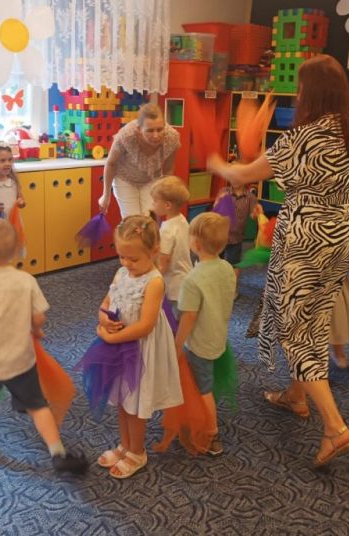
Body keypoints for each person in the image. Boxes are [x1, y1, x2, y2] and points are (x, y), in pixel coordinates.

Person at [207, 54, 349, 468]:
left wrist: (217, 163)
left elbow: (245, 175)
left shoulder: (302, 136)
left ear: (309, 91)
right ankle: (296, 395)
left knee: (296, 330)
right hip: (339, 234)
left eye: (299, 87)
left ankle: (335, 427)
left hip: (304, 240)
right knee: (313, 317)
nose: (296, 94)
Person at [0, 217, 87, 473]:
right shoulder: (25, 281)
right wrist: (37, 330)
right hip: (20, 359)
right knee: (37, 404)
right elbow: (38, 317)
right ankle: (57, 452)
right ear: (15, 251)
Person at [94, 215, 182, 479]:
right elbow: (105, 303)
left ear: (154, 251)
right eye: (121, 256)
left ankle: (137, 451)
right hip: (120, 349)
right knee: (122, 399)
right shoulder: (121, 272)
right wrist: (103, 320)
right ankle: (125, 445)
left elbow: (145, 326)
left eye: (133, 259)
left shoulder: (154, 281)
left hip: (141, 351)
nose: (126, 263)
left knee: (135, 403)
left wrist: (111, 338)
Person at [175, 212, 237, 456]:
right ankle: (204, 421)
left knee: (203, 389)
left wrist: (177, 344)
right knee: (207, 382)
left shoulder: (192, 280)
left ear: (196, 243)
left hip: (199, 344)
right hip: (218, 335)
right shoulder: (227, 268)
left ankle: (211, 433)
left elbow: (188, 317)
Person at [98, 103, 180, 218]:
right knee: (132, 221)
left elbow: (168, 169)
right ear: (139, 130)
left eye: (160, 129)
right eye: (150, 131)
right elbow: (111, 163)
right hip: (125, 179)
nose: (156, 135)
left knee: (150, 219)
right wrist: (106, 195)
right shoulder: (126, 136)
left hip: (151, 179)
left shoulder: (171, 138)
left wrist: (164, 195)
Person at [214, 174, 263, 295]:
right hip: (219, 235)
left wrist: (256, 213)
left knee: (234, 264)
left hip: (236, 237)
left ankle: (233, 290)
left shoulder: (250, 197)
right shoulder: (224, 191)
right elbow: (215, 209)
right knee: (215, 262)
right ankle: (216, 285)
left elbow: (253, 215)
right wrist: (219, 201)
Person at [151, 176, 192, 317]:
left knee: (173, 319)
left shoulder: (167, 230)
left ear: (167, 205)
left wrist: (154, 280)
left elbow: (164, 261)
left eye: (155, 201)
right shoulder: (182, 220)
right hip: (185, 275)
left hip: (174, 283)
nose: (152, 204)